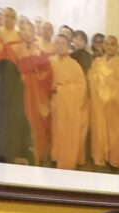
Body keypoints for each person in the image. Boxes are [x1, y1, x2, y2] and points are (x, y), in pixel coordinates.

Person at [6, 18, 52, 164]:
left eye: (30, 30)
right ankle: (20, 154)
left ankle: (38, 155)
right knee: (20, 122)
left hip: (37, 94)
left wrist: (35, 74)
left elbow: (48, 73)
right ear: (20, 32)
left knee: (36, 124)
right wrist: (28, 66)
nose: (27, 33)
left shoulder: (40, 51)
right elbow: (11, 70)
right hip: (19, 92)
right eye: (24, 30)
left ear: (34, 33)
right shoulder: (13, 48)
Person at [88, 35, 119, 170]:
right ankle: (102, 156)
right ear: (103, 46)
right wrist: (100, 85)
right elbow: (91, 79)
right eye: (107, 44)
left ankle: (115, 161)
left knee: (115, 136)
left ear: (117, 47)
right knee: (100, 133)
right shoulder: (97, 63)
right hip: (100, 106)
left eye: (113, 44)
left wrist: (112, 91)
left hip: (115, 107)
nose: (109, 47)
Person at [49, 34, 87, 170]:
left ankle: (67, 161)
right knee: (55, 133)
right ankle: (55, 157)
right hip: (53, 106)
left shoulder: (75, 65)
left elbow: (81, 88)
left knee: (67, 134)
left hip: (69, 107)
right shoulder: (50, 62)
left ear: (68, 46)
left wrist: (60, 89)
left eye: (62, 43)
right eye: (57, 43)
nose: (59, 46)